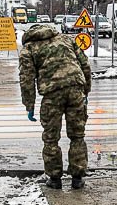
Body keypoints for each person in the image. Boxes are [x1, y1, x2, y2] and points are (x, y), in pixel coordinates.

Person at [19, 24, 92, 190]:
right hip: (75, 89)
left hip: (52, 95)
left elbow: (26, 80)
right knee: (77, 135)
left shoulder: (29, 49)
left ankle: (54, 178)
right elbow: (85, 65)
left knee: (51, 138)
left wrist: (29, 105)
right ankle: (77, 177)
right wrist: (85, 92)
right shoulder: (66, 39)